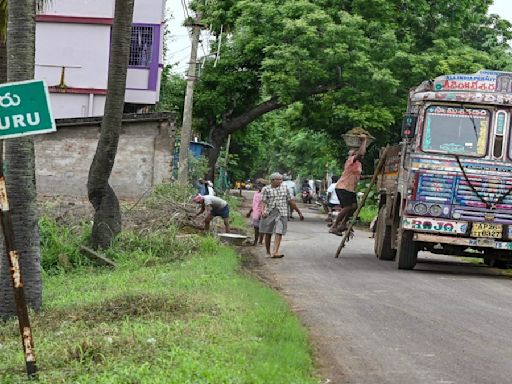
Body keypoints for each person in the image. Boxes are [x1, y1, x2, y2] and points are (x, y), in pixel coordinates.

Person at [260, 172, 304, 258]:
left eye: (281, 179)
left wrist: (299, 212)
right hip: (270, 212)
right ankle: (268, 252)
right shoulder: (266, 189)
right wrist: (263, 211)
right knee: (268, 233)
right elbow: (263, 202)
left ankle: (275, 252)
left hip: (282, 213)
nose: (281, 181)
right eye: (279, 179)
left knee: (279, 231)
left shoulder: (285, 188)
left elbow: (291, 201)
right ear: (273, 180)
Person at [330, 135, 367, 236]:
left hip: (350, 189)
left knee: (354, 206)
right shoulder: (351, 160)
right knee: (347, 207)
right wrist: (364, 141)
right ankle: (334, 226)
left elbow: (358, 176)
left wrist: (371, 177)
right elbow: (361, 153)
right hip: (343, 187)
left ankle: (343, 224)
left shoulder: (358, 164)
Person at [246, 178, 267, 245]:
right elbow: (254, 204)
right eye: (258, 185)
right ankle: (256, 241)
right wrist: (250, 212)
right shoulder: (256, 193)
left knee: (261, 228)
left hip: (262, 213)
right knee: (256, 228)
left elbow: (264, 205)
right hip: (255, 213)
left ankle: (260, 241)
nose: (259, 186)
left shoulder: (264, 194)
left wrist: (262, 212)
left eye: (261, 185)